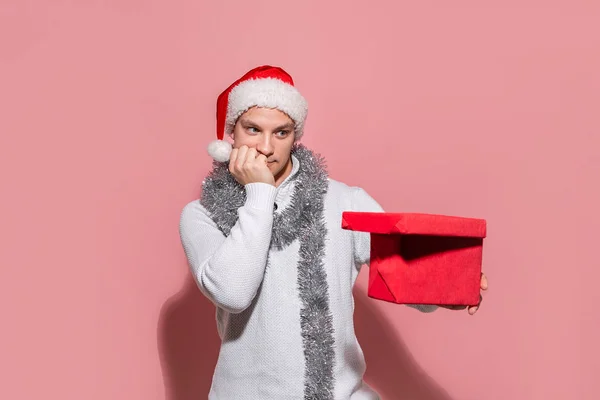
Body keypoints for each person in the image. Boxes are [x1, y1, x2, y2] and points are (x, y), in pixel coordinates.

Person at [179, 65, 488, 399]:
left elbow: (404, 271)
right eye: (253, 129)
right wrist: (260, 193)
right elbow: (232, 292)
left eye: (281, 133)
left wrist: (447, 290)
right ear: (231, 134)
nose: (266, 147)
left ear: (295, 136)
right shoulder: (201, 215)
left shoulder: (344, 202)